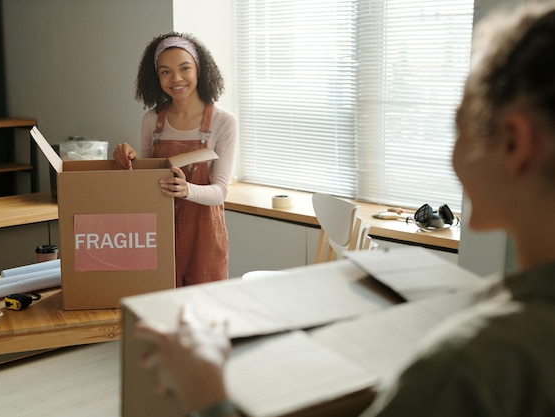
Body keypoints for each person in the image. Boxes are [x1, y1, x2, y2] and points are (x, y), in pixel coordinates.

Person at [132, 2, 555, 417]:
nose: (450, 155)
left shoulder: (461, 365)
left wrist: (207, 394)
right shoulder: (498, 325)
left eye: (460, 125)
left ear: (515, 143)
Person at [114, 32, 237, 287]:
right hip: (158, 231)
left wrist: (186, 190)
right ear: (155, 77)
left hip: (204, 237)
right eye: (165, 72)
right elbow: (146, 181)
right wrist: (130, 160)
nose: (176, 79)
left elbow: (220, 192)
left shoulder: (223, 121)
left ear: (199, 69)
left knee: (205, 316)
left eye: (184, 68)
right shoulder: (151, 120)